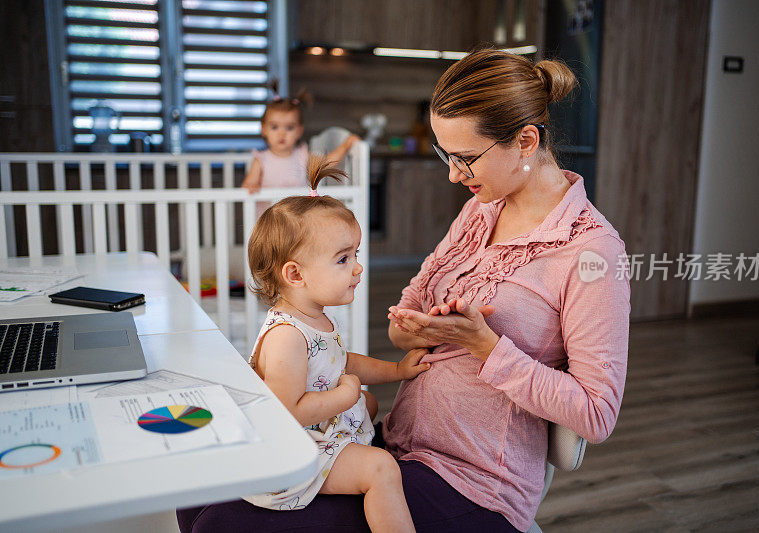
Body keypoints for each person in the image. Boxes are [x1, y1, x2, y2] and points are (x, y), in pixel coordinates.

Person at [177, 47, 630, 533]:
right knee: (197, 488)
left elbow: (596, 414)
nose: (454, 174)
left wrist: (485, 346)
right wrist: (417, 329)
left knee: (223, 525)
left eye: (465, 158)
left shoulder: (593, 253)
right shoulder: (481, 210)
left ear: (524, 141)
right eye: (445, 155)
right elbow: (406, 313)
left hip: (473, 482)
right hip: (394, 446)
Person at [242, 157, 429, 533]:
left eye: (355, 254)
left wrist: (395, 371)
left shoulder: (315, 315)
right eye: (343, 259)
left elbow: (341, 362)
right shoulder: (287, 337)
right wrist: (345, 397)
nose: (358, 267)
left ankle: (354, 446)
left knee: (370, 403)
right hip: (292, 450)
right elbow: (288, 413)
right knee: (381, 468)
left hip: (320, 424)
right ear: (295, 274)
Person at [241, 84, 360, 212]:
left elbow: (326, 164)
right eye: (274, 127)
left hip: (299, 220)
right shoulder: (261, 160)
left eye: (289, 128)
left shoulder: (302, 156)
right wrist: (251, 186)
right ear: (263, 129)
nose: (282, 134)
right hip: (271, 223)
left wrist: (345, 146)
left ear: (299, 131)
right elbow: (247, 186)